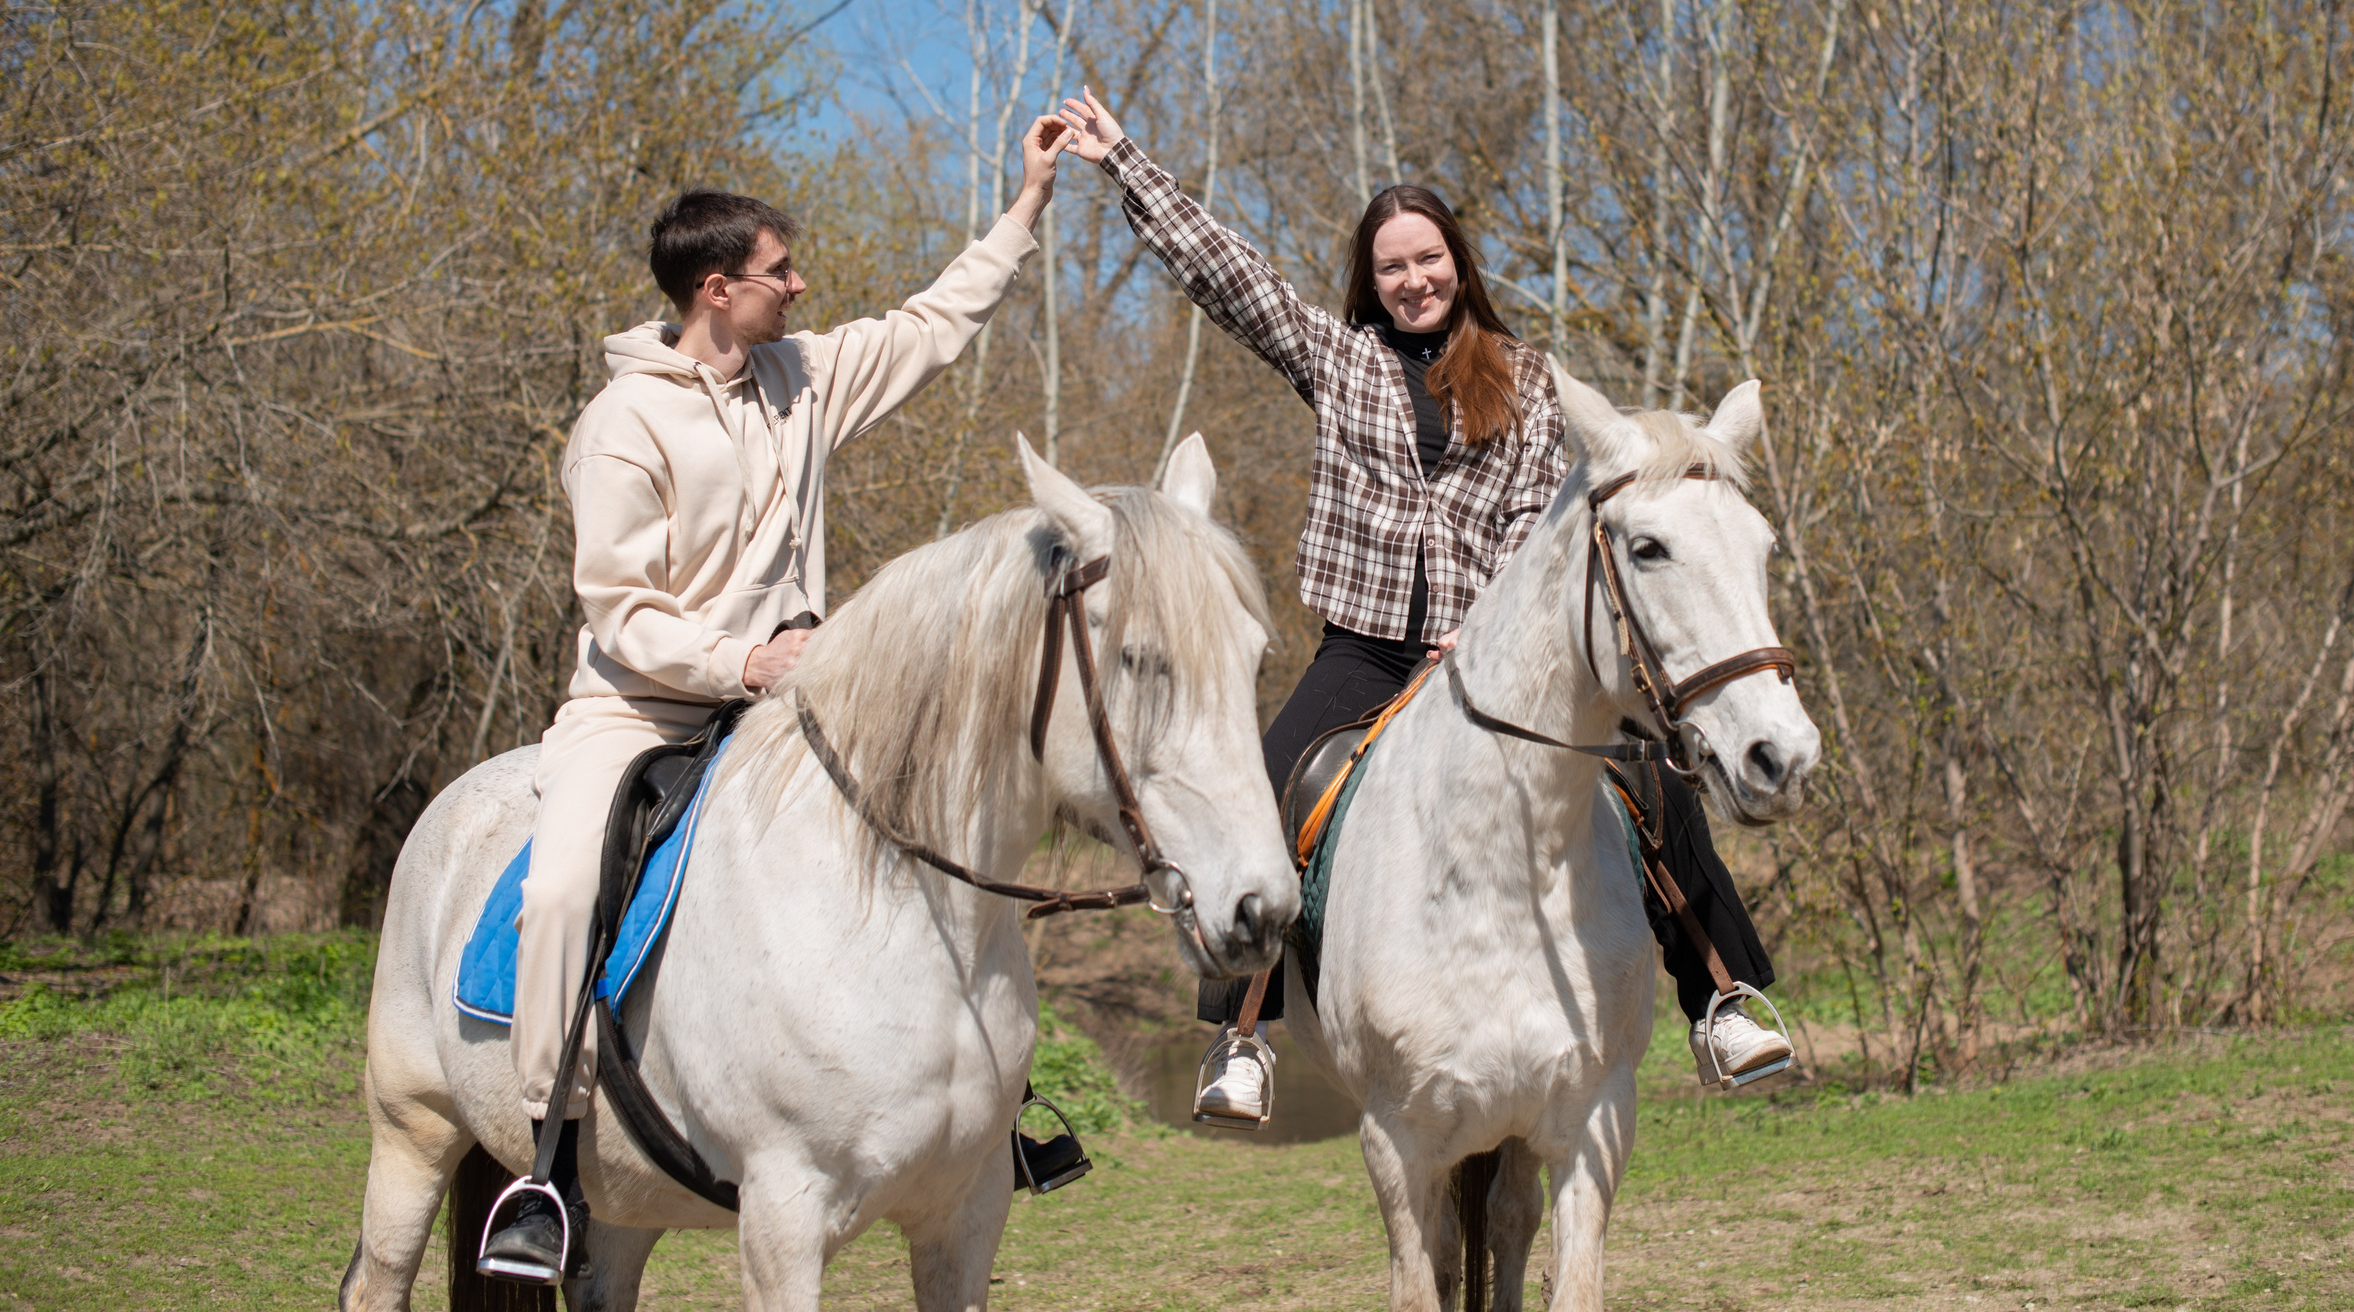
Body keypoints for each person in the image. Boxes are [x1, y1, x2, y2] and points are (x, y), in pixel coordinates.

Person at [1050, 87, 1792, 1128]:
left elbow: (1541, 520)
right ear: (1372, 280)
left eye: (1428, 259)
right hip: (1364, 647)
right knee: (1267, 787)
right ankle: (1244, 1034)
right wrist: (1122, 159)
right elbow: (1228, 273)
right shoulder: (1339, 360)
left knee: (1646, 777)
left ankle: (1723, 993)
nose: (1413, 280)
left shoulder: (1528, 382)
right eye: (1391, 266)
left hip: (1492, 652)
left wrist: (1482, 626)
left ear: (1458, 264)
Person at [476, 123, 1062, 1283]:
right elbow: (619, 610)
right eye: (778, 270)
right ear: (716, 287)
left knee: (938, 844)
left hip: (789, 705)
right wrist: (742, 660)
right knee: (561, 887)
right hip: (640, 708)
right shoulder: (621, 426)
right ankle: (548, 1159)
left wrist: (1027, 202)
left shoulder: (799, 377)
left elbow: (931, 325)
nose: (798, 285)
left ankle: (983, 1114)